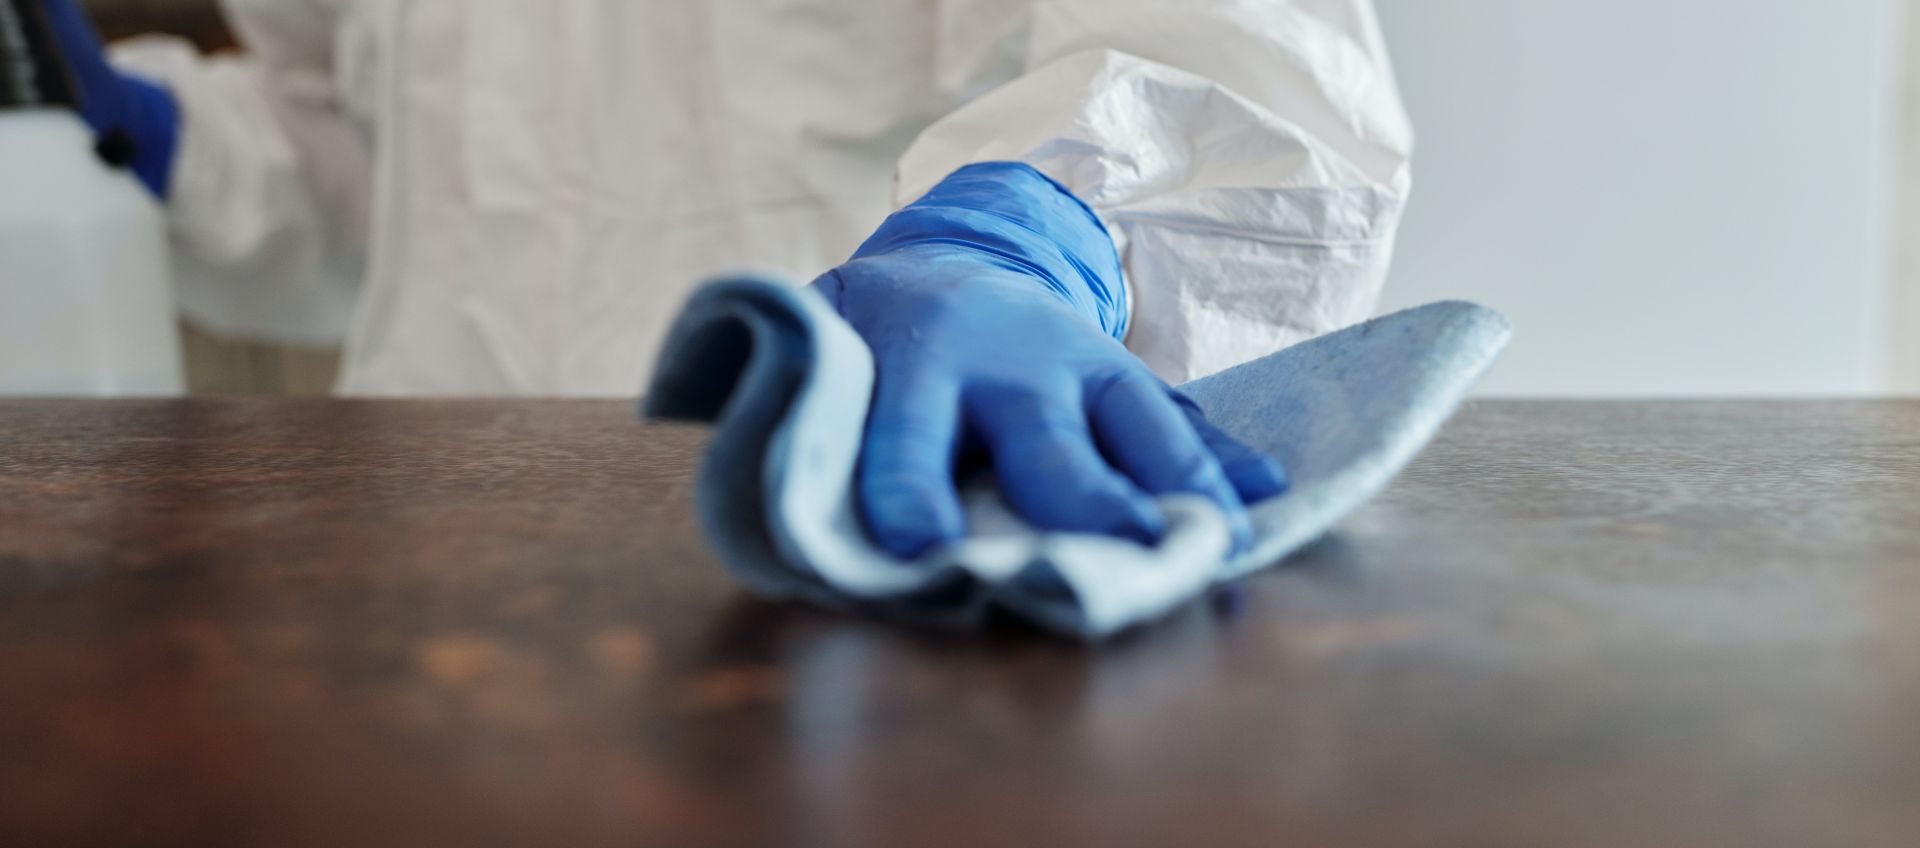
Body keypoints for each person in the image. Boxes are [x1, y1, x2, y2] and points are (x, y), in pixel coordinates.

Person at [40, 0, 1413, 557]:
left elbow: (1244, 63)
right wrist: (164, 142)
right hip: (421, 560)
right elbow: (367, 196)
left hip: (854, 511)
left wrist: (1036, 226)